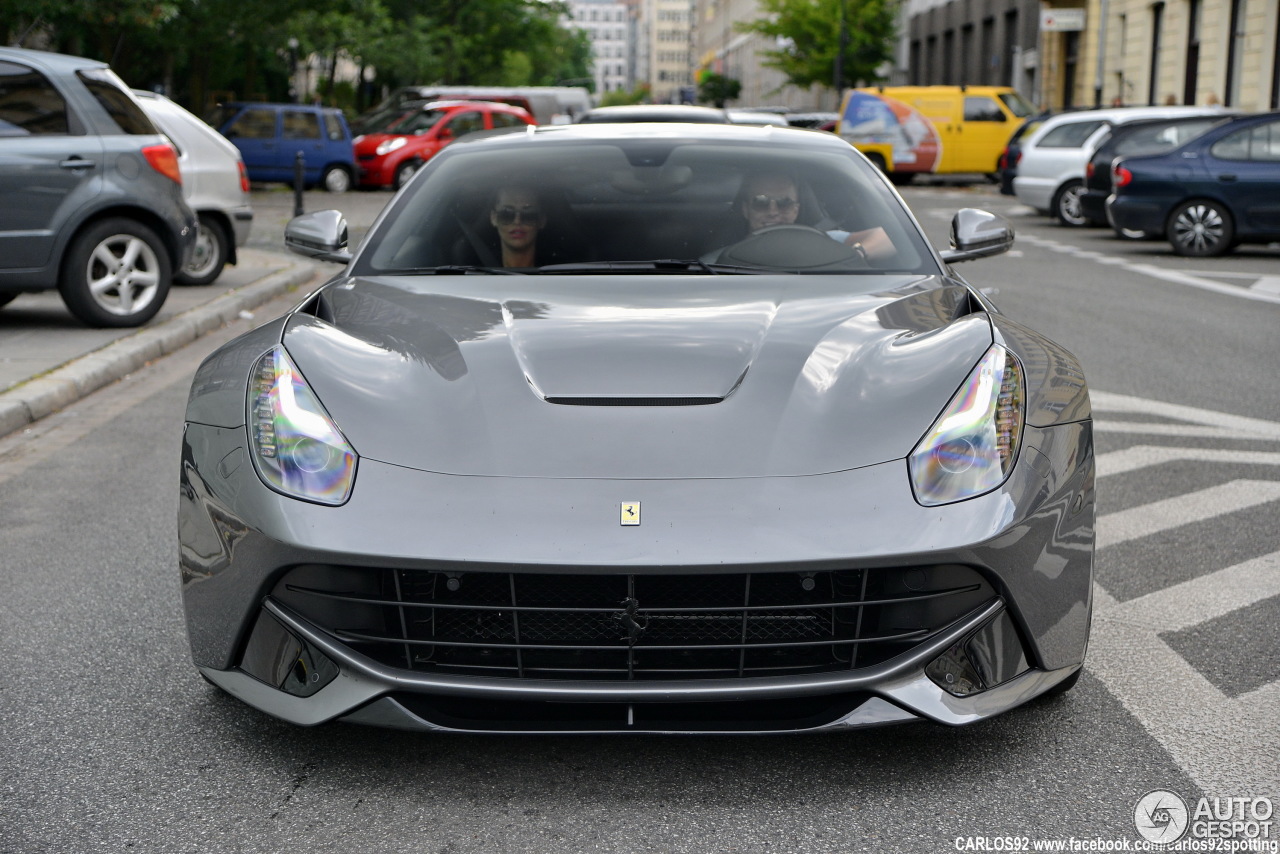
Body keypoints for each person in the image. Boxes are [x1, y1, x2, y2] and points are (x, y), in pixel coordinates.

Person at [734, 171, 894, 261]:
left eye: (784, 203)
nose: (773, 212)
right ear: (746, 210)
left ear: (796, 210)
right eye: (761, 202)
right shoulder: (719, 257)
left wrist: (855, 256)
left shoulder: (824, 241)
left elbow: (887, 238)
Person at [489, 185, 546, 267]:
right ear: (493, 218)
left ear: (542, 220)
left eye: (528, 215)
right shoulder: (472, 274)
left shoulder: (562, 273)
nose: (517, 221)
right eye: (507, 214)